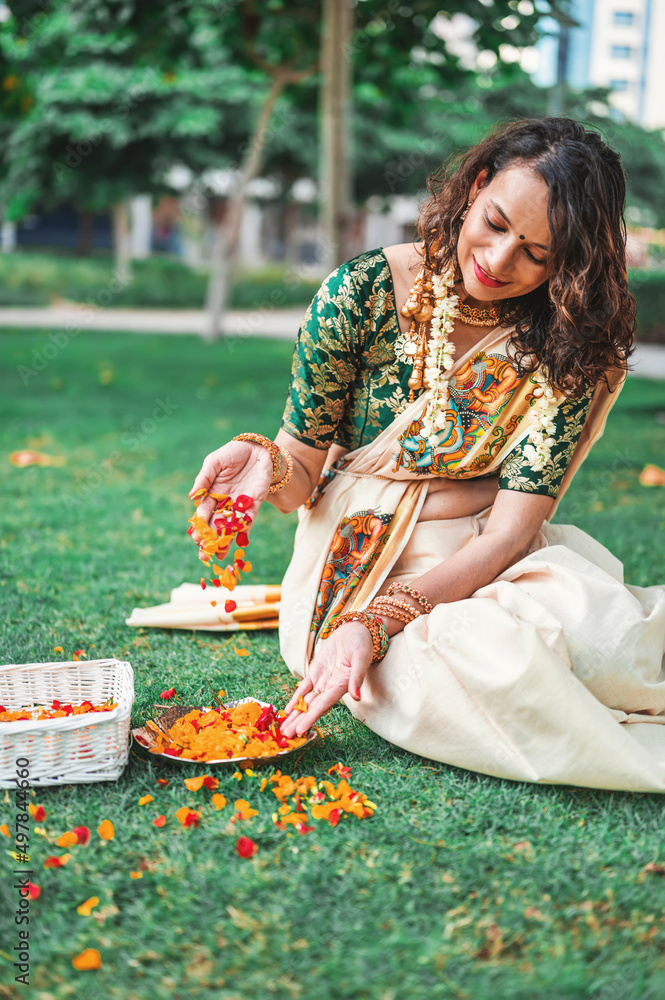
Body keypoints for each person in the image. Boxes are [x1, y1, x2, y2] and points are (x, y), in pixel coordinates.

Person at [190, 118, 665, 793]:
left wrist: (383, 621)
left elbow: (510, 531)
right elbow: (301, 482)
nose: (499, 262)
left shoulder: (566, 337)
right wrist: (264, 461)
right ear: (475, 186)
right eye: (496, 223)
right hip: (353, 563)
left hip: (487, 555)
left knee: (607, 645)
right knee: (489, 663)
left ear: (570, 263)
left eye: (537, 253)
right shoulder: (361, 294)